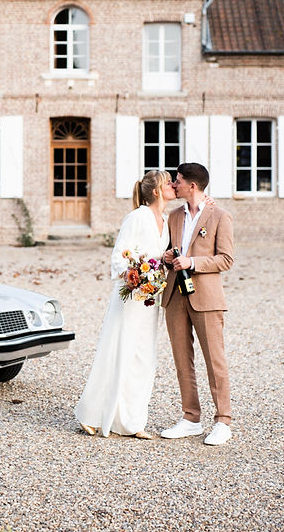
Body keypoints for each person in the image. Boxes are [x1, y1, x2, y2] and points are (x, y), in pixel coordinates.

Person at [74, 170, 175, 439]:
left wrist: (161, 266)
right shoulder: (137, 217)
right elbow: (119, 256)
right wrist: (137, 276)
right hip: (130, 296)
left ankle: (131, 421)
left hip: (150, 298)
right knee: (118, 351)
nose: (173, 186)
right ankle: (90, 413)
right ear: (157, 191)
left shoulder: (166, 220)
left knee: (143, 357)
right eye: (168, 183)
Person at [160, 162, 235, 446]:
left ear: (192, 186)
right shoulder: (173, 216)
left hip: (206, 297)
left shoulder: (220, 216)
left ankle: (223, 421)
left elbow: (226, 259)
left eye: (177, 180)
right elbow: (168, 250)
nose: (173, 184)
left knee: (215, 361)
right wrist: (168, 257)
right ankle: (191, 418)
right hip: (174, 296)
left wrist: (192, 262)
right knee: (182, 360)